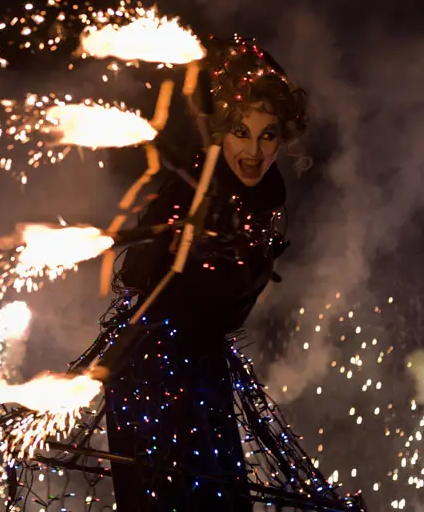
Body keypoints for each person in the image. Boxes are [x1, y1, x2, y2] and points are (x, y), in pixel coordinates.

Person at [102, 37, 309, 512]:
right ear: (219, 132)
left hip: (203, 366)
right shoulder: (191, 191)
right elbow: (139, 273)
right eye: (241, 132)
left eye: (268, 134)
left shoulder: (264, 203)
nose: (254, 151)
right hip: (153, 366)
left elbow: (231, 305)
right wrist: (178, 246)